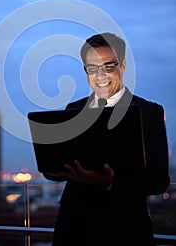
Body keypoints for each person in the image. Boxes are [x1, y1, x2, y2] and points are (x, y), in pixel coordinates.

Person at [44, 32, 170, 246]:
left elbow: (159, 181)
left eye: (108, 67)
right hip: (74, 231)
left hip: (125, 231)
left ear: (123, 65)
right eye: (92, 69)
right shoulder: (72, 110)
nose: (100, 76)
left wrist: (110, 182)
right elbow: (56, 171)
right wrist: (54, 167)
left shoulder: (148, 113)